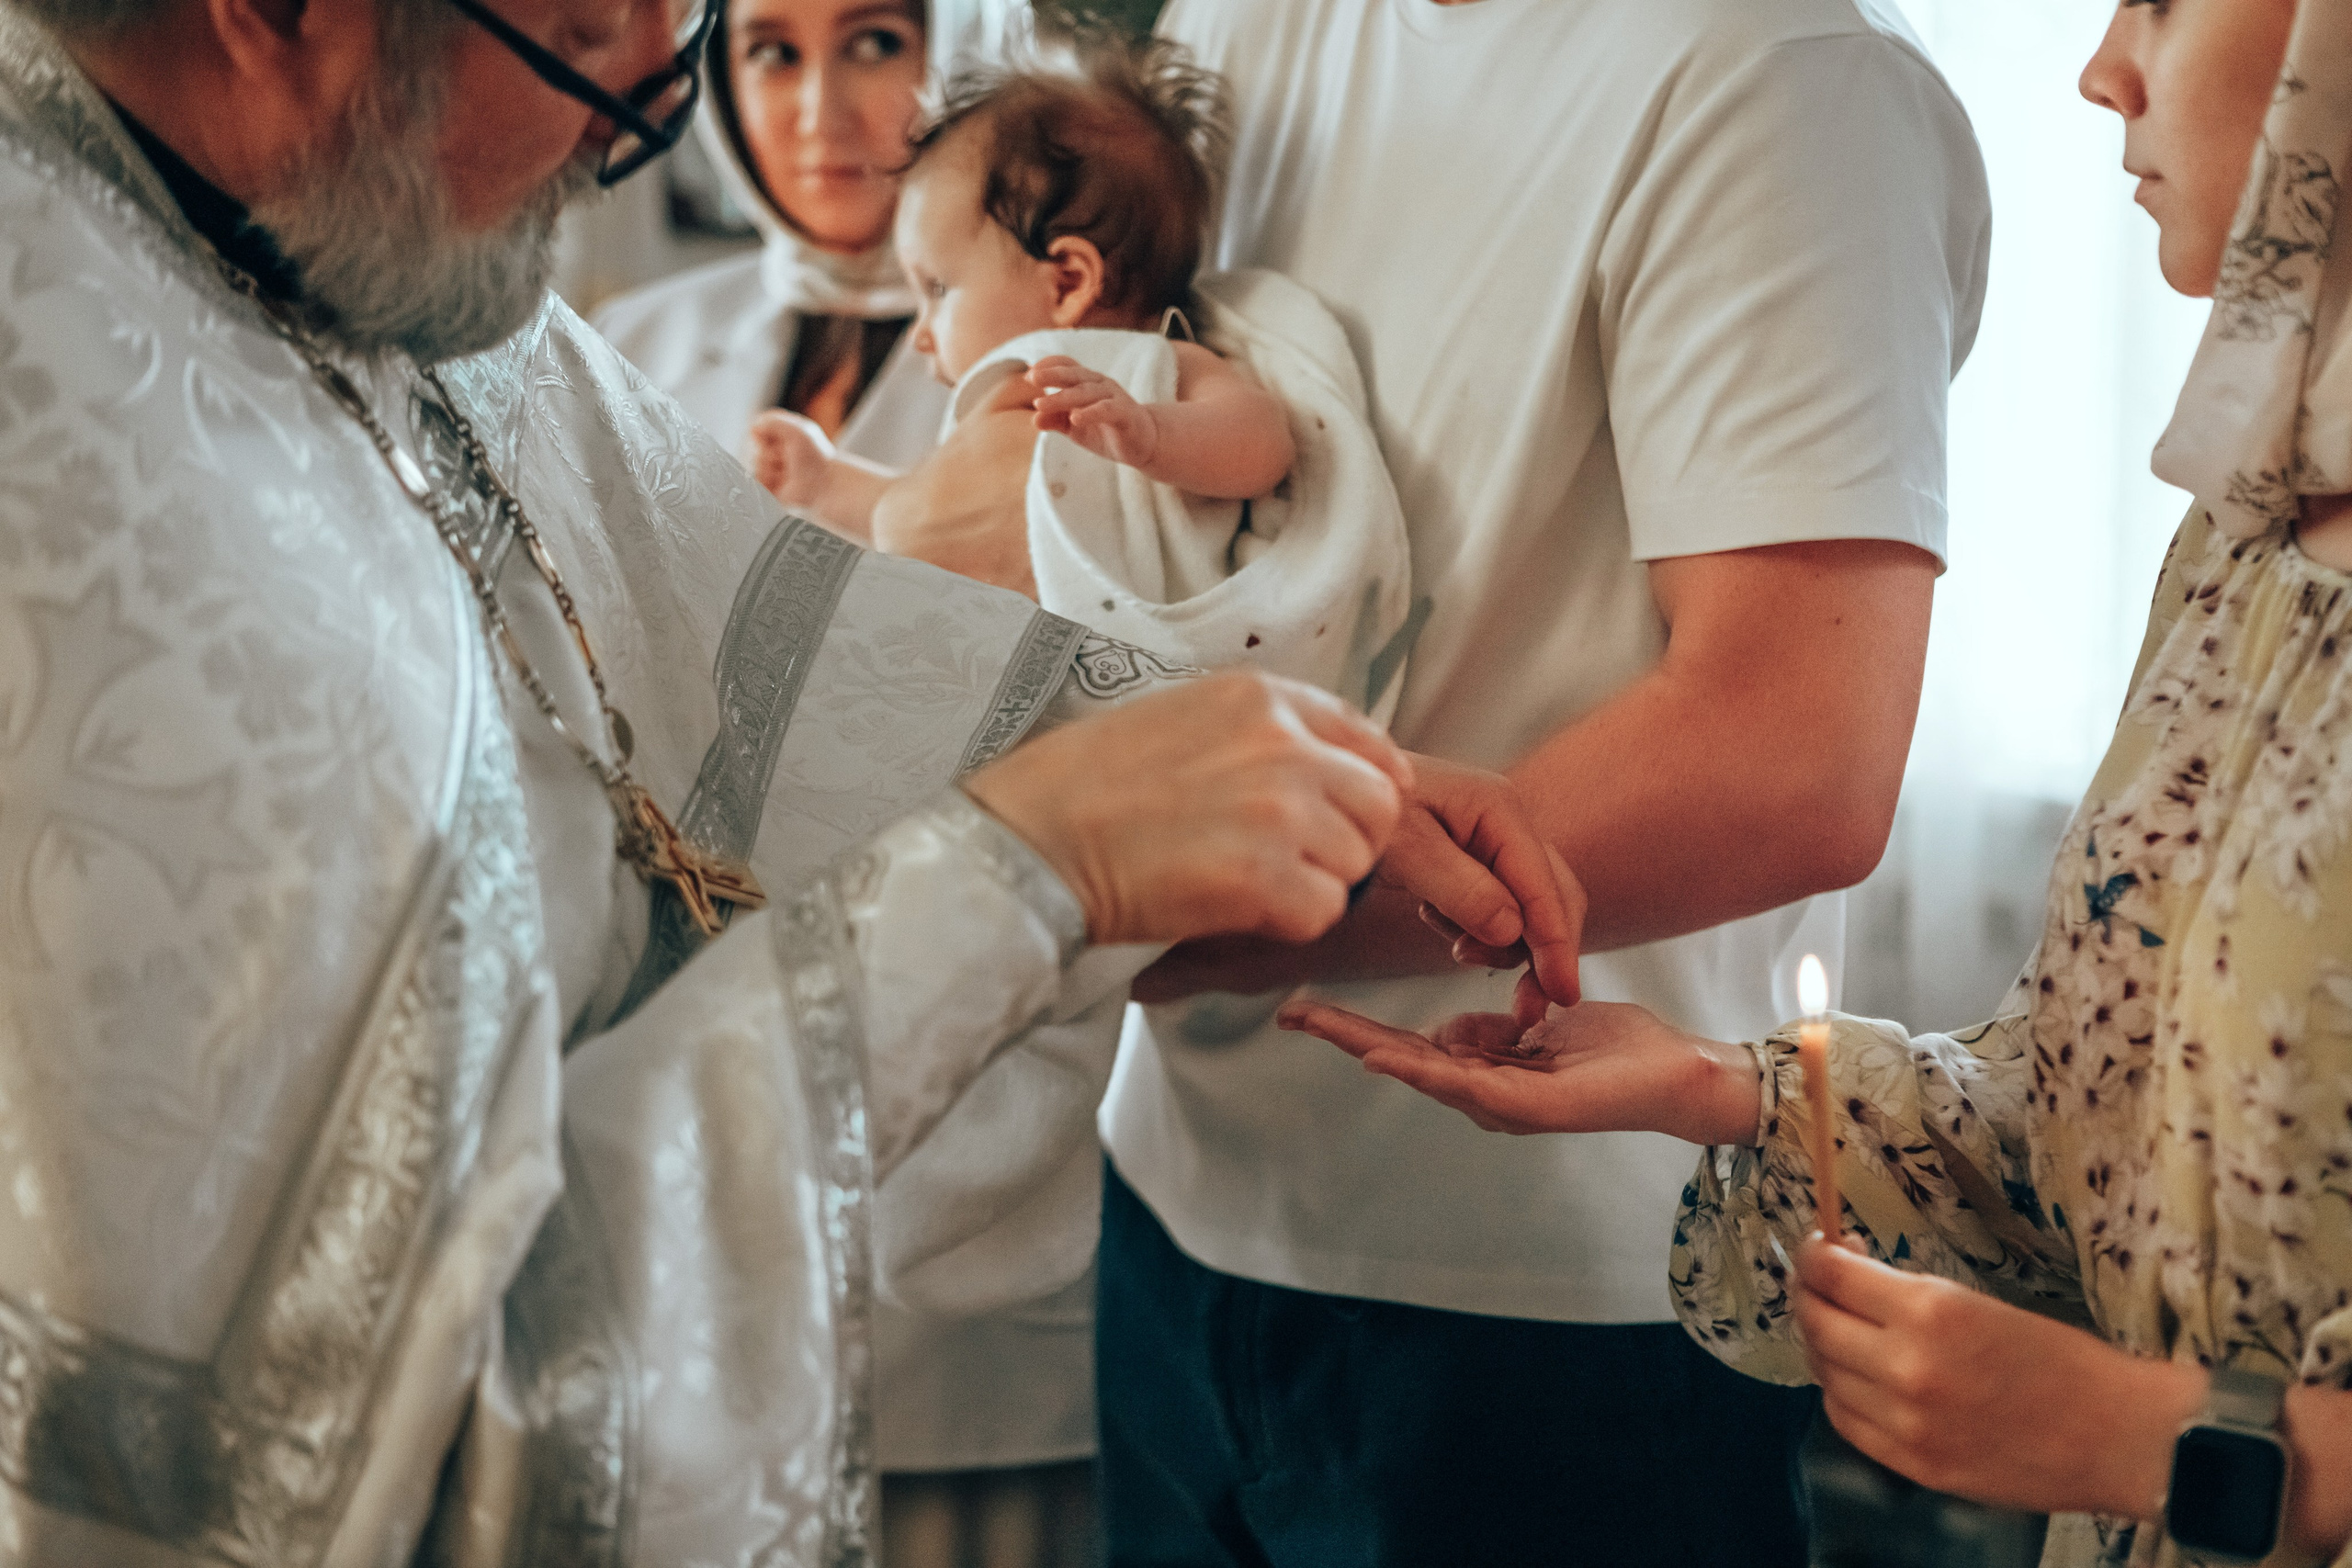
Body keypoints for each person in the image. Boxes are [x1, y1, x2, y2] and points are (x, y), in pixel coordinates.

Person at [0, 0, 1583, 1561]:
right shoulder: (52, 477)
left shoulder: (349, 222)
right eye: (588, 25)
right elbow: (372, 1444)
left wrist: (1235, 761)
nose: (653, 112)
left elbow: (755, 636)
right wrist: (1038, 862)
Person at [1283, 1, 2352, 1562]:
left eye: (2168, 0)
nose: (2102, 69)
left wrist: (2173, 1445)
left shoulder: (1797, 75)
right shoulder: (2244, 543)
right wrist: (1731, 1087)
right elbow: (2119, 1132)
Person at [1085, 0, 1993, 1562]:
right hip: (1172, 1195)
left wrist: (1202, 915)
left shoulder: (1785, 73)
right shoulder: (1242, 14)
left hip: (1539, 1293)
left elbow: (1792, 752)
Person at [591, 4, 1112, 1561]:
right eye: (771, 51)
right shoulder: (626, 350)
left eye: (876, 40)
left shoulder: (1084, 373)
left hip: (985, 1137)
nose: (819, 107)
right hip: (684, 1112)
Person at [762, 41, 1414, 697]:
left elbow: (1265, 445)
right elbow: (923, 515)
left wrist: (1154, 434)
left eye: (938, 289)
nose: (921, 334)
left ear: (1069, 281)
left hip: (1166, 686)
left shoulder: (1157, 365)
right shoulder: (1003, 405)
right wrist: (825, 480)